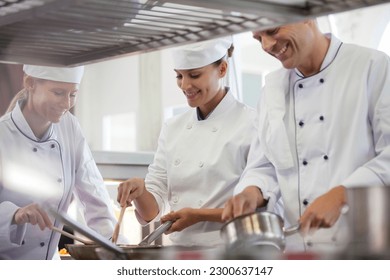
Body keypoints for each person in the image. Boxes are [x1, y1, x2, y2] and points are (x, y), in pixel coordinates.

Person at [222, 19, 390, 253]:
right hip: (299, 251)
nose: (267, 45)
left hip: (364, 248)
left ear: (308, 15)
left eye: (272, 31)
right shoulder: (271, 88)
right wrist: (253, 191)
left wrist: (343, 193)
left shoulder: (372, 66)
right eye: (258, 38)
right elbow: (265, 164)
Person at [117, 38, 256, 247]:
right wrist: (140, 191)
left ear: (222, 69)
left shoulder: (252, 123)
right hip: (181, 254)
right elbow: (152, 211)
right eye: (179, 76)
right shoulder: (173, 128)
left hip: (233, 252)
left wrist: (199, 215)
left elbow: (260, 203)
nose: (185, 85)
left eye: (194, 75)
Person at [0, 65, 120, 259]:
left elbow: (93, 193)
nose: (66, 104)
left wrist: (117, 248)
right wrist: (13, 215)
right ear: (30, 83)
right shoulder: (2, 135)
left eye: (73, 94)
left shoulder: (69, 126)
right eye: (58, 93)